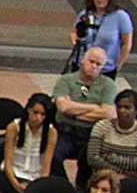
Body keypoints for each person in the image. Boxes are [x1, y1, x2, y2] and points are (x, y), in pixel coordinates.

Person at [51, 47, 120, 183]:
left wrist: (74, 111)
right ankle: (63, 186)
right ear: (83, 60)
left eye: (98, 64)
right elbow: (63, 107)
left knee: (92, 159)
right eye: (91, 61)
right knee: (53, 155)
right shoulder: (65, 80)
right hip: (66, 131)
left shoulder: (109, 85)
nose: (93, 66)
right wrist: (95, 107)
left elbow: (107, 113)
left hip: (93, 134)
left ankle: (83, 189)